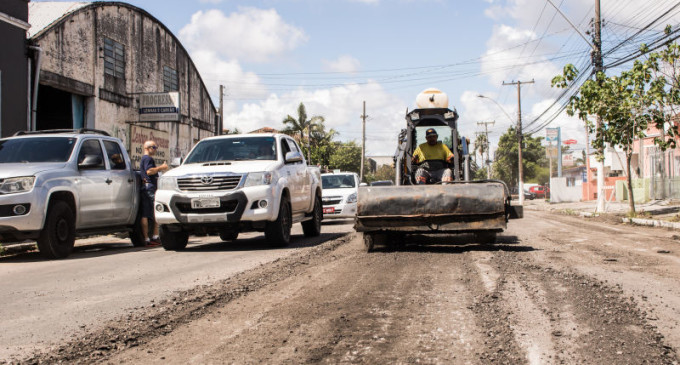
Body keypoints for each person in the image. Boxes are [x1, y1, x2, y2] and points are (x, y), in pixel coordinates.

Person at [140, 140, 168, 246]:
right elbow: (149, 171)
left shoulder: (143, 158)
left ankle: (147, 239)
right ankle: (155, 237)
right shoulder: (148, 158)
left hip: (145, 188)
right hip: (150, 188)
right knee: (157, 211)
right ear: (147, 148)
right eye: (154, 147)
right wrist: (162, 168)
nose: (155, 149)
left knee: (145, 214)